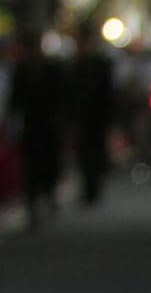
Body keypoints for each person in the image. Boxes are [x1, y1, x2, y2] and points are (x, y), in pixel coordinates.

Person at [5, 31, 66, 228]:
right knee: (31, 165)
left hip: (46, 125)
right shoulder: (21, 70)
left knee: (46, 162)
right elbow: (15, 100)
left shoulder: (50, 68)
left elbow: (59, 97)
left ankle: (45, 194)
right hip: (32, 126)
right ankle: (33, 200)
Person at [68, 24, 116, 206]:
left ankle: (94, 185)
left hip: (97, 117)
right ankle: (88, 186)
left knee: (95, 151)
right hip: (81, 117)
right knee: (83, 152)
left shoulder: (101, 65)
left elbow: (108, 92)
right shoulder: (75, 65)